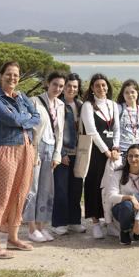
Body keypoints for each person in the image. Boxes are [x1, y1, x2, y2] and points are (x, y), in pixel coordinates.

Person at [0, 61, 40, 259]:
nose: (12, 78)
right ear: (1, 75)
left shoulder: (22, 96)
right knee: (0, 197)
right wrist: (24, 118)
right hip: (3, 151)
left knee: (19, 194)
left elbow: (37, 116)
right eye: (9, 74)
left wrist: (22, 118)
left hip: (26, 149)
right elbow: (14, 120)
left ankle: (13, 238)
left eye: (16, 75)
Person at [23, 71, 66, 243]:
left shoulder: (61, 105)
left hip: (51, 148)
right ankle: (31, 228)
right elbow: (28, 129)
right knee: (32, 188)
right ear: (47, 83)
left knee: (47, 190)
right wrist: (33, 151)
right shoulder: (34, 101)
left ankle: (41, 226)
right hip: (37, 147)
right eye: (55, 84)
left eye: (61, 86)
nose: (57, 88)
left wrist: (57, 154)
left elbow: (60, 133)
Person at [81, 73, 121, 239]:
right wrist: (106, 151)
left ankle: (109, 222)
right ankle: (96, 223)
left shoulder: (113, 105)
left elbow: (117, 129)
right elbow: (91, 132)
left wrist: (116, 148)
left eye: (104, 85)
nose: (101, 88)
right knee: (94, 186)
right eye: (97, 86)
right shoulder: (88, 106)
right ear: (92, 88)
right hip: (96, 152)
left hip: (113, 152)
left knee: (111, 186)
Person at [51, 73, 86, 235]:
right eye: (69, 86)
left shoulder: (81, 105)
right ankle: (59, 222)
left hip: (79, 154)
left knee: (76, 189)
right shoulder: (58, 104)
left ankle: (74, 221)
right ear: (63, 87)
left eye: (75, 86)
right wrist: (62, 153)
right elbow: (54, 131)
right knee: (61, 189)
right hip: (62, 153)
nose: (71, 89)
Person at [103, 144, 139, 245]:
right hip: (121, 209)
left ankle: (135, 229)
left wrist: (138, 220)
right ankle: (124, 232)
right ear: (126, 157)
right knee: (127, 205)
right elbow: (110, 196)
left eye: (136, 156)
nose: (133, 159)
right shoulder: (118, 172)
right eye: (130, 156)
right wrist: (130, 197)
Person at [117, 79, 139, 153]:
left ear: (137, 93)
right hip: (122, 150)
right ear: (123, 94)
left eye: (132, 92)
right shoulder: (119, 108)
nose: (130, 95)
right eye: (126, 93)